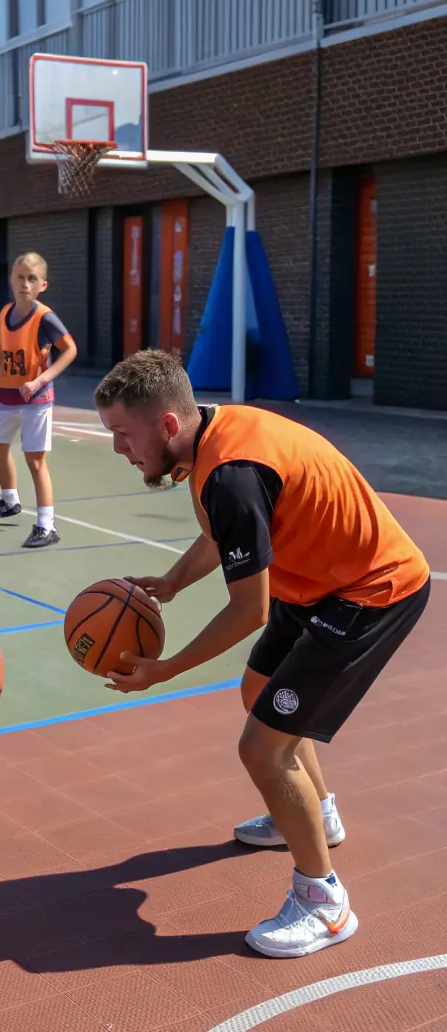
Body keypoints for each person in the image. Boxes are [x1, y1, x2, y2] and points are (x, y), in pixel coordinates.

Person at [95, 350, 430, 959]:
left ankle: (324, 903)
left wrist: (163, 671)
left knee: (261, 745)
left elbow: (249, 610)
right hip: (319, 579)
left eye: (123, 434)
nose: (118, 449)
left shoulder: (231, 474)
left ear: (168, 425)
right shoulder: (213, 436)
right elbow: (224, 531)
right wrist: (173, 582)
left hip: (372, 590)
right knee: (258, 695)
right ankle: (315, 817)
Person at [0, 251, 77, 548]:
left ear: (42, 284)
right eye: (20, 277)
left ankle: (47, 525)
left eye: (32, 279)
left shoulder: (45, 317)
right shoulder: (4, 314)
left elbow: (70, 349)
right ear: (11, 280)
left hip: (36, 399)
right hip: (6, 396)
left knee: (35, 460)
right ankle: (10, 501)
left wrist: (41, 380)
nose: (25, 284)